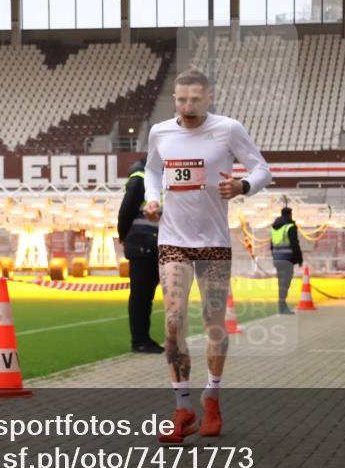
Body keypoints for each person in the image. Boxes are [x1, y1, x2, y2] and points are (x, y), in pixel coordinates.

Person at [143, 69, 272, 443]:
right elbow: (152, 170)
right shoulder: (160, 132)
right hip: (173, 241)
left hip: (213, 243)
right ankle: (183, 409)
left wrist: (243, 185)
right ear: (175, 99)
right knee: (173, 322)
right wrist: (152, 199)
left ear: (209, 98)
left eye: (195, 99)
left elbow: (262, 169)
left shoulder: (228, 129)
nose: (187, 106)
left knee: (214, 323)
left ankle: (211, 399)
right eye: (181, 99)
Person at [117, 157, 164, 354]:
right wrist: (124, 236)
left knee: (145, 296)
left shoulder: (157, 178)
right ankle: (140, 340)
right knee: (141, 296)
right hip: (142, 244)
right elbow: (126, 210)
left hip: (150, 244)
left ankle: (143, 338)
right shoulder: (140, 178)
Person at [270, 207, 303, 314]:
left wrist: (274, 257)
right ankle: (282, 306)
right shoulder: (290, 227)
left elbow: (271, 246)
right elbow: (294, 244)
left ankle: (281, 305)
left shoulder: (275, 228)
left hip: (277, 259)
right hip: (287, 259)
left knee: (281, 283)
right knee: (285, 283)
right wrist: (299, 259)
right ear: (290, 214)